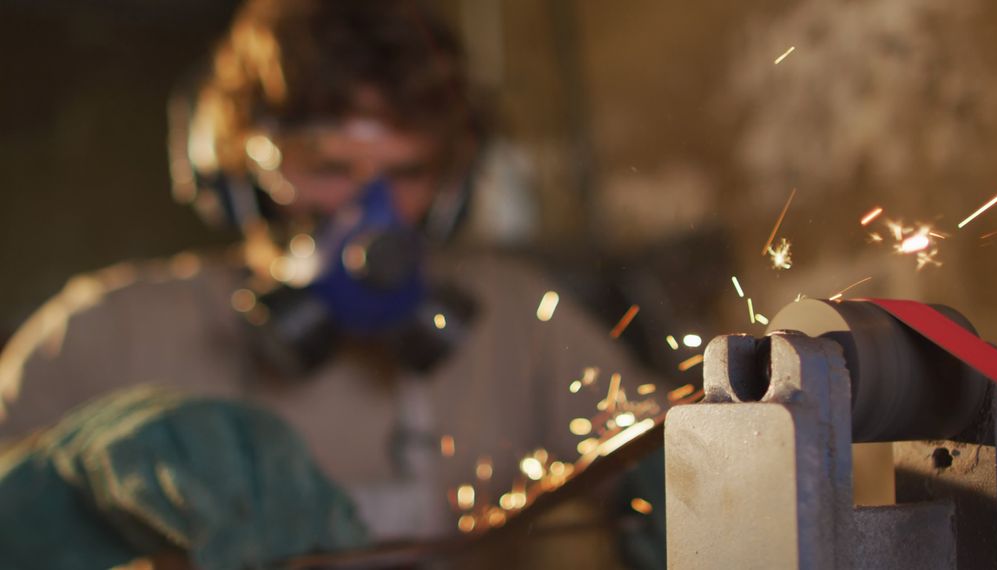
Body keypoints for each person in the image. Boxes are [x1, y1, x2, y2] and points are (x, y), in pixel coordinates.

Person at [0, 0, 657, 567]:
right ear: (235, 171)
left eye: (407, 171)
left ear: (452, 185)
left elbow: (654, 456)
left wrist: (680, 490)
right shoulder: (106, 330)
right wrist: (65, 493)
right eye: (328, 166)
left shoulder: (519, 318)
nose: (372, 211)